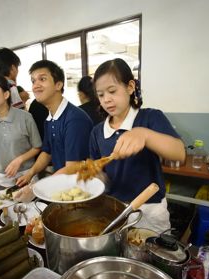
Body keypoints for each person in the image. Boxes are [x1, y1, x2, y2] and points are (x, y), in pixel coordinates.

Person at [89, 58, 185, 233]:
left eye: (112, 91)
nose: (107, 99)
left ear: (130, 87)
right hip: (115, 209)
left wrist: (145, 135)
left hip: (150, 209)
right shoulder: (97, 132)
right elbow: (99, 170)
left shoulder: (150, 118)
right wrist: (96, 176)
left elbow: (179, 153)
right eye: (101, 95)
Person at [16, 60, 93, 186]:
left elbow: (72, 167)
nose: (35, 85)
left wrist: (37, 188)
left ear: (58, 85)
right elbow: (47, 152)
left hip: (79, 187)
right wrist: (30, 174)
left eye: (42, 79)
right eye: (33, 81)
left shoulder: (74, 119)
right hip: (63, 183)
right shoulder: (50, 118)